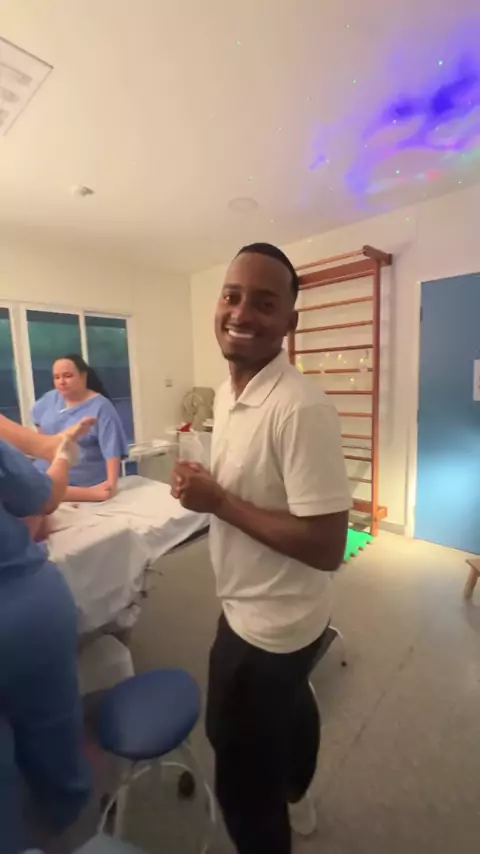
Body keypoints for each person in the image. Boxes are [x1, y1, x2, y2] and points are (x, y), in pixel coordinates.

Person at [171, 243, 351, 854]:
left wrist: (219, 502)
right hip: (272, 607)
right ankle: (297, 790)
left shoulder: (300, 409)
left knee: (240, 775)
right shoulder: (229, 391)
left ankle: (279, 804)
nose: (242, 312)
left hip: (267, 626)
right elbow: (251, 483)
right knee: (291, 706)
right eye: (232, 295)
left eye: (265, 303)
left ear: (290, 322)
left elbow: (328, 545)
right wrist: (206, 486)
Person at [0, 416, 94, 854]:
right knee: (51, 729)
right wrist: (62, 455)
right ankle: (65, 818)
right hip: (22, 616)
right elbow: (44, 495)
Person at [31, 354, 128, 502]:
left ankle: (81, 494)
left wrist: (111, 485)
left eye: (68, 376)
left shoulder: (101, 407)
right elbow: (37, 420)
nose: (61, 382)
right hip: (48, 471)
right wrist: (47, 449)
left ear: (83, 376)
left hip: (84, 478)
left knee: (40, 491)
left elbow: (112, 448)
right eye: (56, 377)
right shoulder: (50, 399)